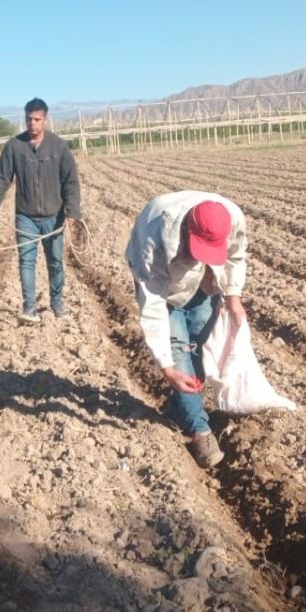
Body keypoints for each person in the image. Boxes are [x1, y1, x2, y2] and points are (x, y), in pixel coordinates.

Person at [124, 192, 248, 469]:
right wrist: (167, 367)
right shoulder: (155, 237)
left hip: (204, 283)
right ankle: (200, 432)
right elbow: (153, 305)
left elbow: (235, 256)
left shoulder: (232, 218)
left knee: (199, 348)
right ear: (187, 230)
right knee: (180, 352)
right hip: (163, 288)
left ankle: (176, 411)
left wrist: (233, 297)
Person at [0, 98, 83, 323]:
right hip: (25, 215)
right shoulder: (14, 147)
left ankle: (57, 304)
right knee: (26, 261)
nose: (32, 123)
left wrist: (72, 212)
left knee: (55, 261)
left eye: (37, 119)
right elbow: (1, 179)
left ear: (45, 120)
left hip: (53, 216)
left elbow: (70, 182)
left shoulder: (58, 147)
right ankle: (29, 308)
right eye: (29, 119)